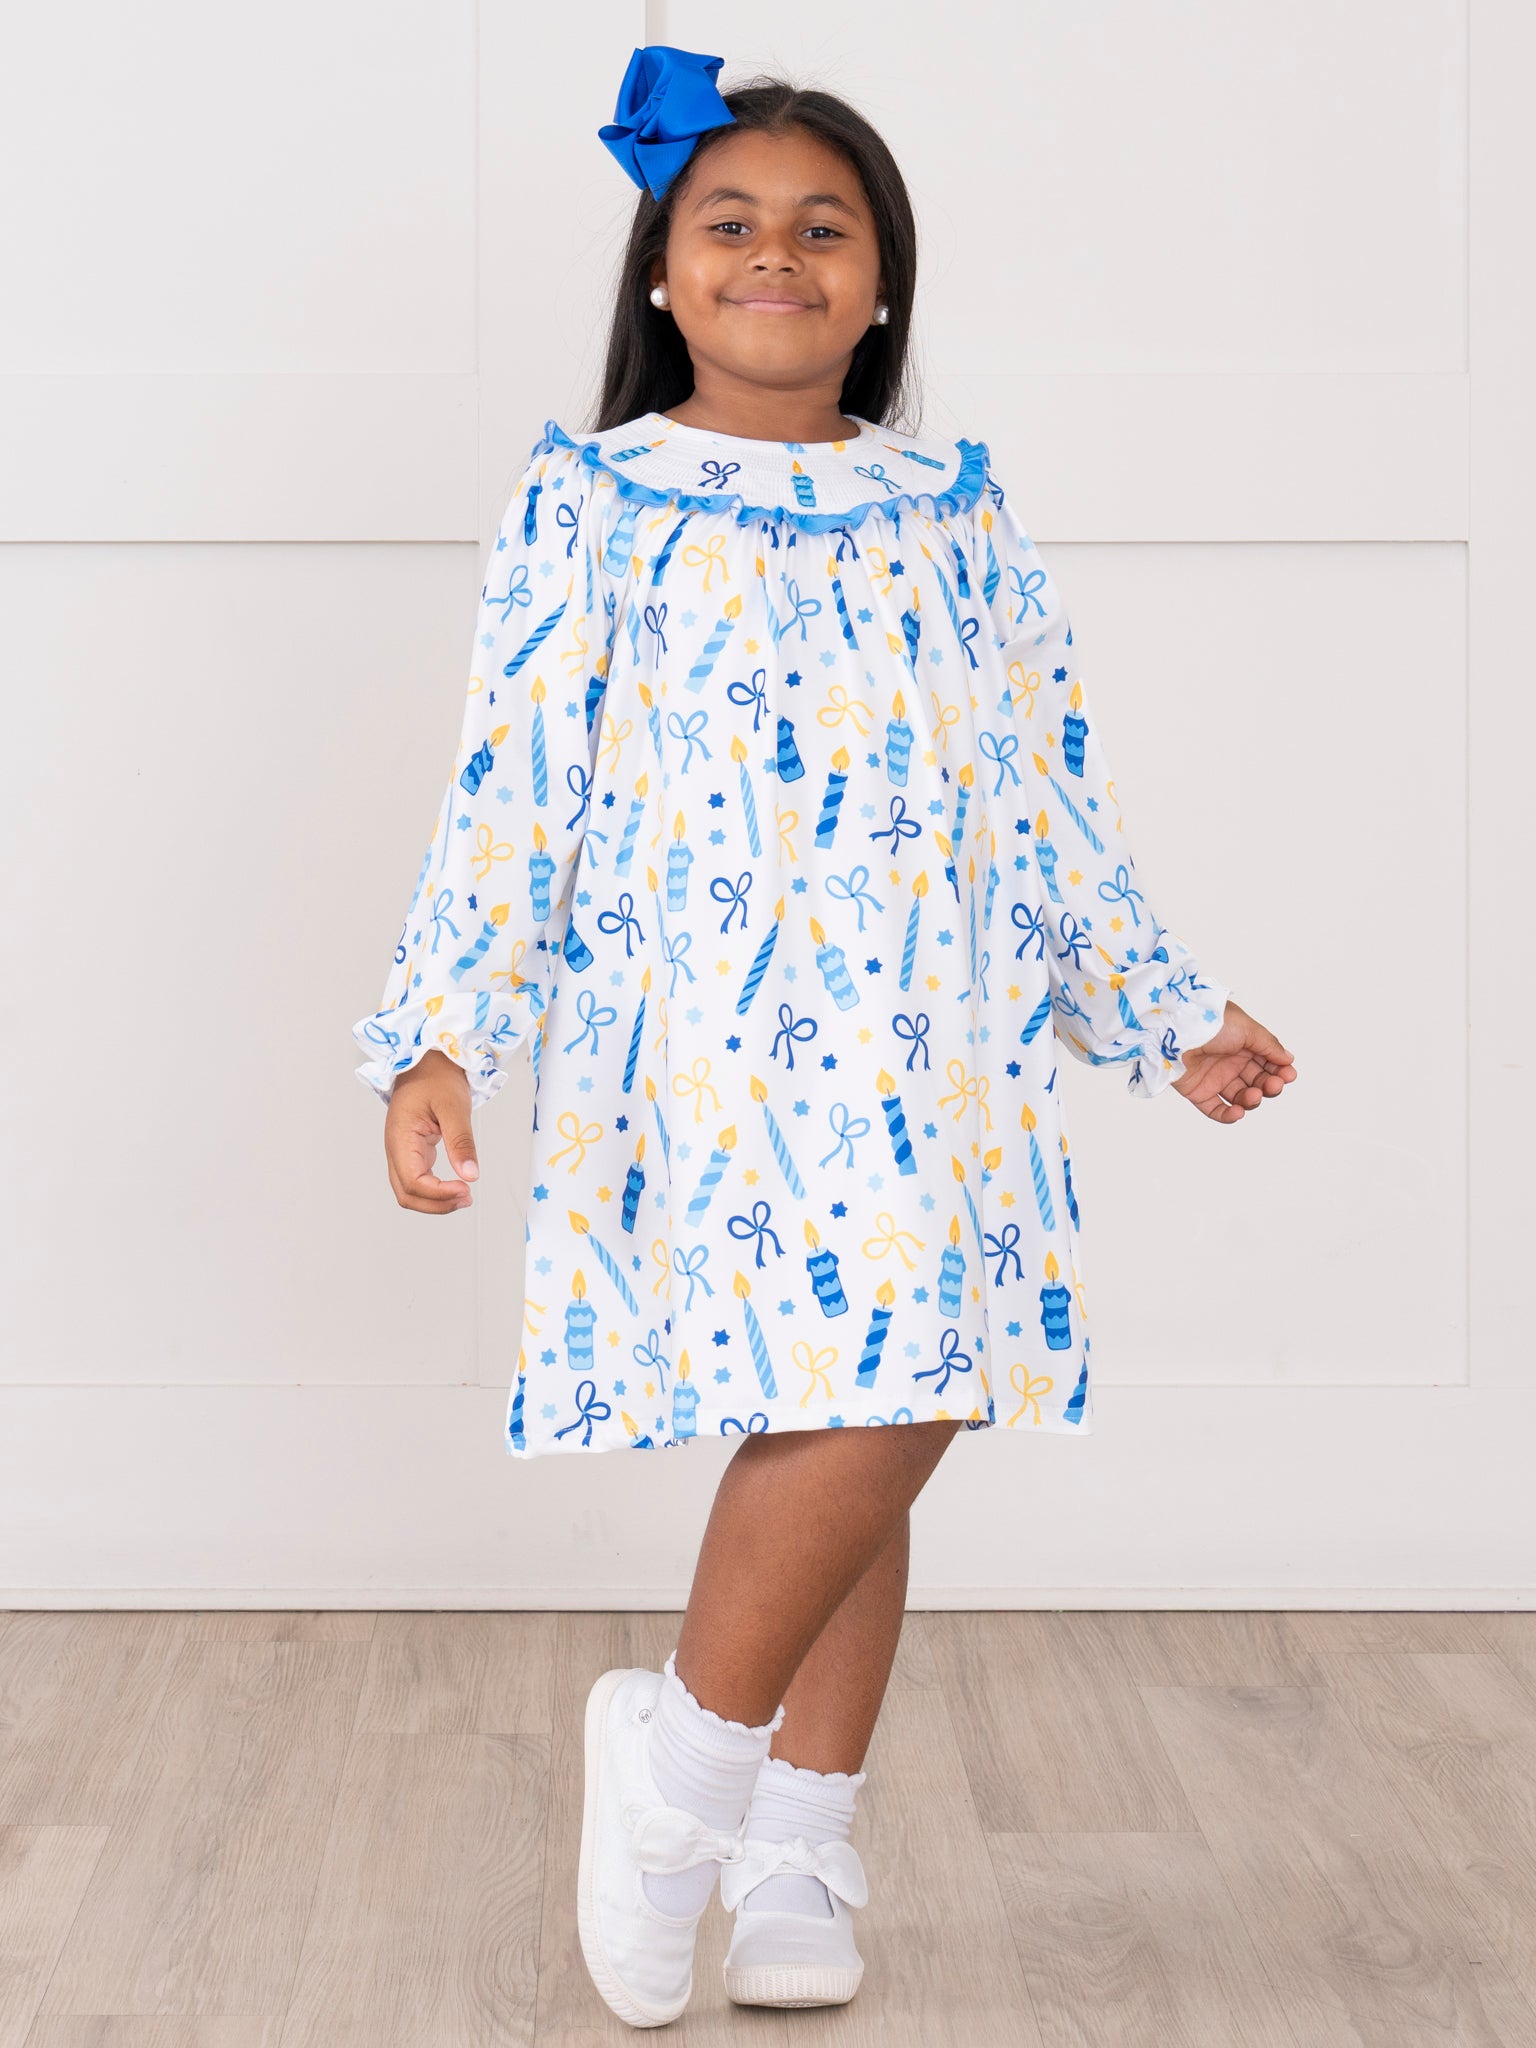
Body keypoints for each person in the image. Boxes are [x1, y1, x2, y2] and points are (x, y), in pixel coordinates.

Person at [350, 44, 1298, 2030]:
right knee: (844, 1407)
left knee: (885, 1404)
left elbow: (1042, 786)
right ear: (664, 273)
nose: (775, 253)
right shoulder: (593, 501)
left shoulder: (955, 509)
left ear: (880, 285)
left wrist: (1161, 1007)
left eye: (822, 227)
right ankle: (690, 1776)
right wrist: (441, 1038)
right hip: (707, 1045)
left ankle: (790, 1835)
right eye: (731, 222)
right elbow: (512, 784)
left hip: (933, 1044)